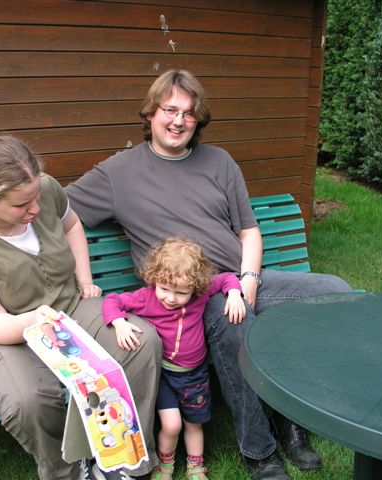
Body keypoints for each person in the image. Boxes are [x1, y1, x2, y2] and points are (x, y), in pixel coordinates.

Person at [65, 69, 352, 480]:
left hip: (240, 280)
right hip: (188, 297)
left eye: (188, 113)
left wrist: (249, 280)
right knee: (236, 325)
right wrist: (83, 278)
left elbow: (248, 231)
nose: (178, 121)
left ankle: (290, 416)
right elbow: (61, 211)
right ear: (150, 114)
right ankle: (259, 451)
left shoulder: (219, 162)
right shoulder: (118, 173)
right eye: (169, 110)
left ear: (198, 119)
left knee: (334, 293)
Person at [0, 134, 162, 480]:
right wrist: (35, 320)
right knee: (27, 399)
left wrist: (85, 280)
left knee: (141, 342)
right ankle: (68, 471)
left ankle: (124, 459)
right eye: (22, 205)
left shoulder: (46, 188)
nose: (36, 209)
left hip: (66, 306)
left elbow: (72, 225)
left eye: (37, 195)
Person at [103, 237, 245, 480]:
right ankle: (164, 466)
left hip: (195, 377)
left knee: (194, 424)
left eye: (181, 293)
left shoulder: (200, 295)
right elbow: (112, 301)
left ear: (195, 287)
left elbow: (227, 279)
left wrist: (234, 294)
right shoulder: (146, 298)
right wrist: (119, 323)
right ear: (154, 279)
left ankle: (195, 467)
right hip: (164, 376)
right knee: (172, 425)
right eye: (164, 289)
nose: (170, 298)